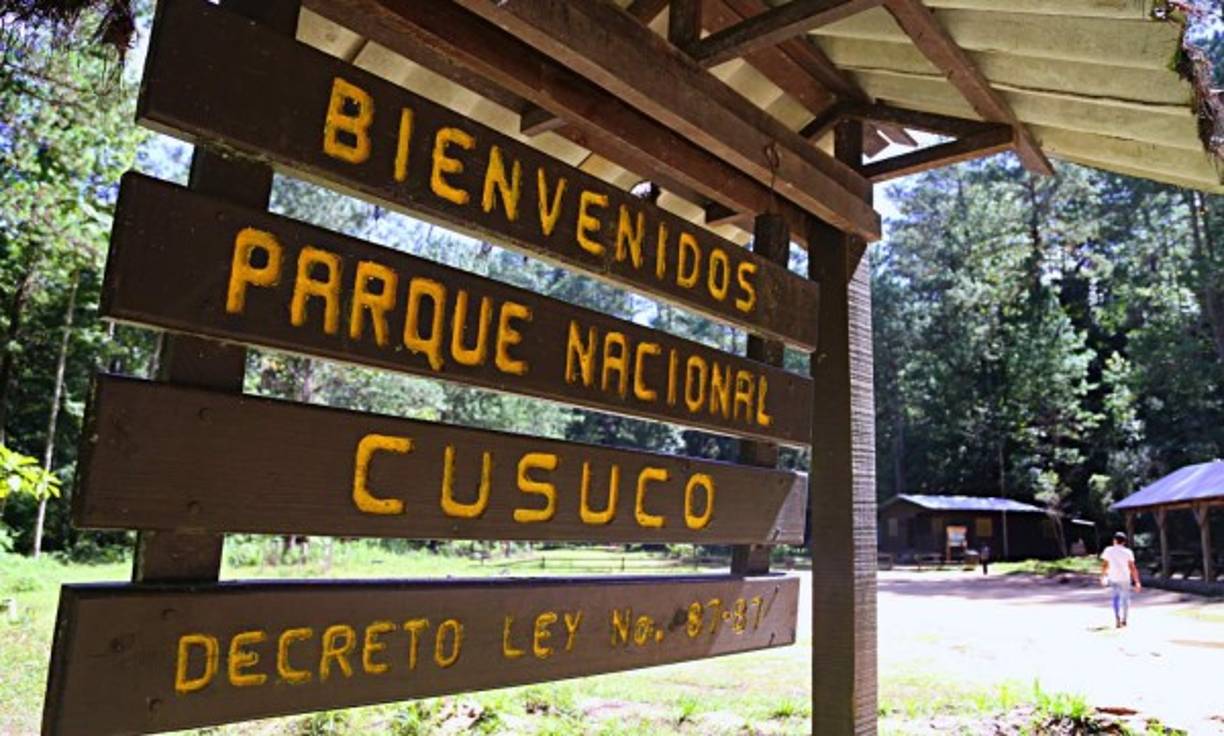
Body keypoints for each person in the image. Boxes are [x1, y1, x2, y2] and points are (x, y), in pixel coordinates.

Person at [1100, 531, 1141, 628]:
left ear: (1114, 540)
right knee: (1125, 599)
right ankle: (1124, 619)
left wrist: (1103, 576)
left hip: (1113, 577)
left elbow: (1105, 565)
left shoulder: (1108, 550)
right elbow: (1132, 567)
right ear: (1124, 542)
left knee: (1115, 598)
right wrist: (1137, 581)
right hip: (1125, 578)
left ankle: (1117, 617)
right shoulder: (1128, 552)